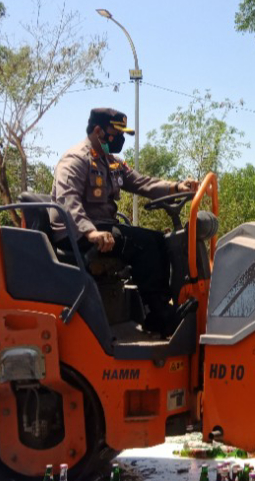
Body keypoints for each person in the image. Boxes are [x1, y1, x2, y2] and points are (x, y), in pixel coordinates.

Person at [49, 108, 197, 337]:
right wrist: (91, 233)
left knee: (158, 240)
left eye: (122, 135)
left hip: (101, 227)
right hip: (75, 233)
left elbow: (142, 183)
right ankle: (159, 315)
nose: (119, 140)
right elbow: (68, 201)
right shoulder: (76, 159)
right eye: (115, 134)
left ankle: (156, 311)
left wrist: (176, 187)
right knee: (141, 244)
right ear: (98, 131)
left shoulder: (112, 163)